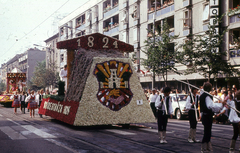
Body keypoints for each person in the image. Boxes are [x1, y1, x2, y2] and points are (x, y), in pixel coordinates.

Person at [200, 82, 223, 152]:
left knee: (207, 132)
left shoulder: (202, 95)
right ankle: (204, 148)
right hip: (207, 116)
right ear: (209, 88)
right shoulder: (207, 96)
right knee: (207, 132)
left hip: (205, 115)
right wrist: (221, 105)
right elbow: (211, 106)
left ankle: (207, 147)